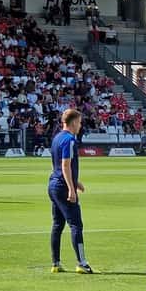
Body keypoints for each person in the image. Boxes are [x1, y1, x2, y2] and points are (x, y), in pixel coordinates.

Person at [48, 109, 96, 274]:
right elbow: (65, 165)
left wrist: (76, 182)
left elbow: (58, 166)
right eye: (80, 122)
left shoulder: (57, 138)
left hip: (53, 184)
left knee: (57, 224)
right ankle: (82, 263)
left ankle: (56, 263)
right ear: (74, 122)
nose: (80, 126)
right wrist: (71, 188)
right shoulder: (69, 140)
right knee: (76, 225)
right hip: (62, 187)